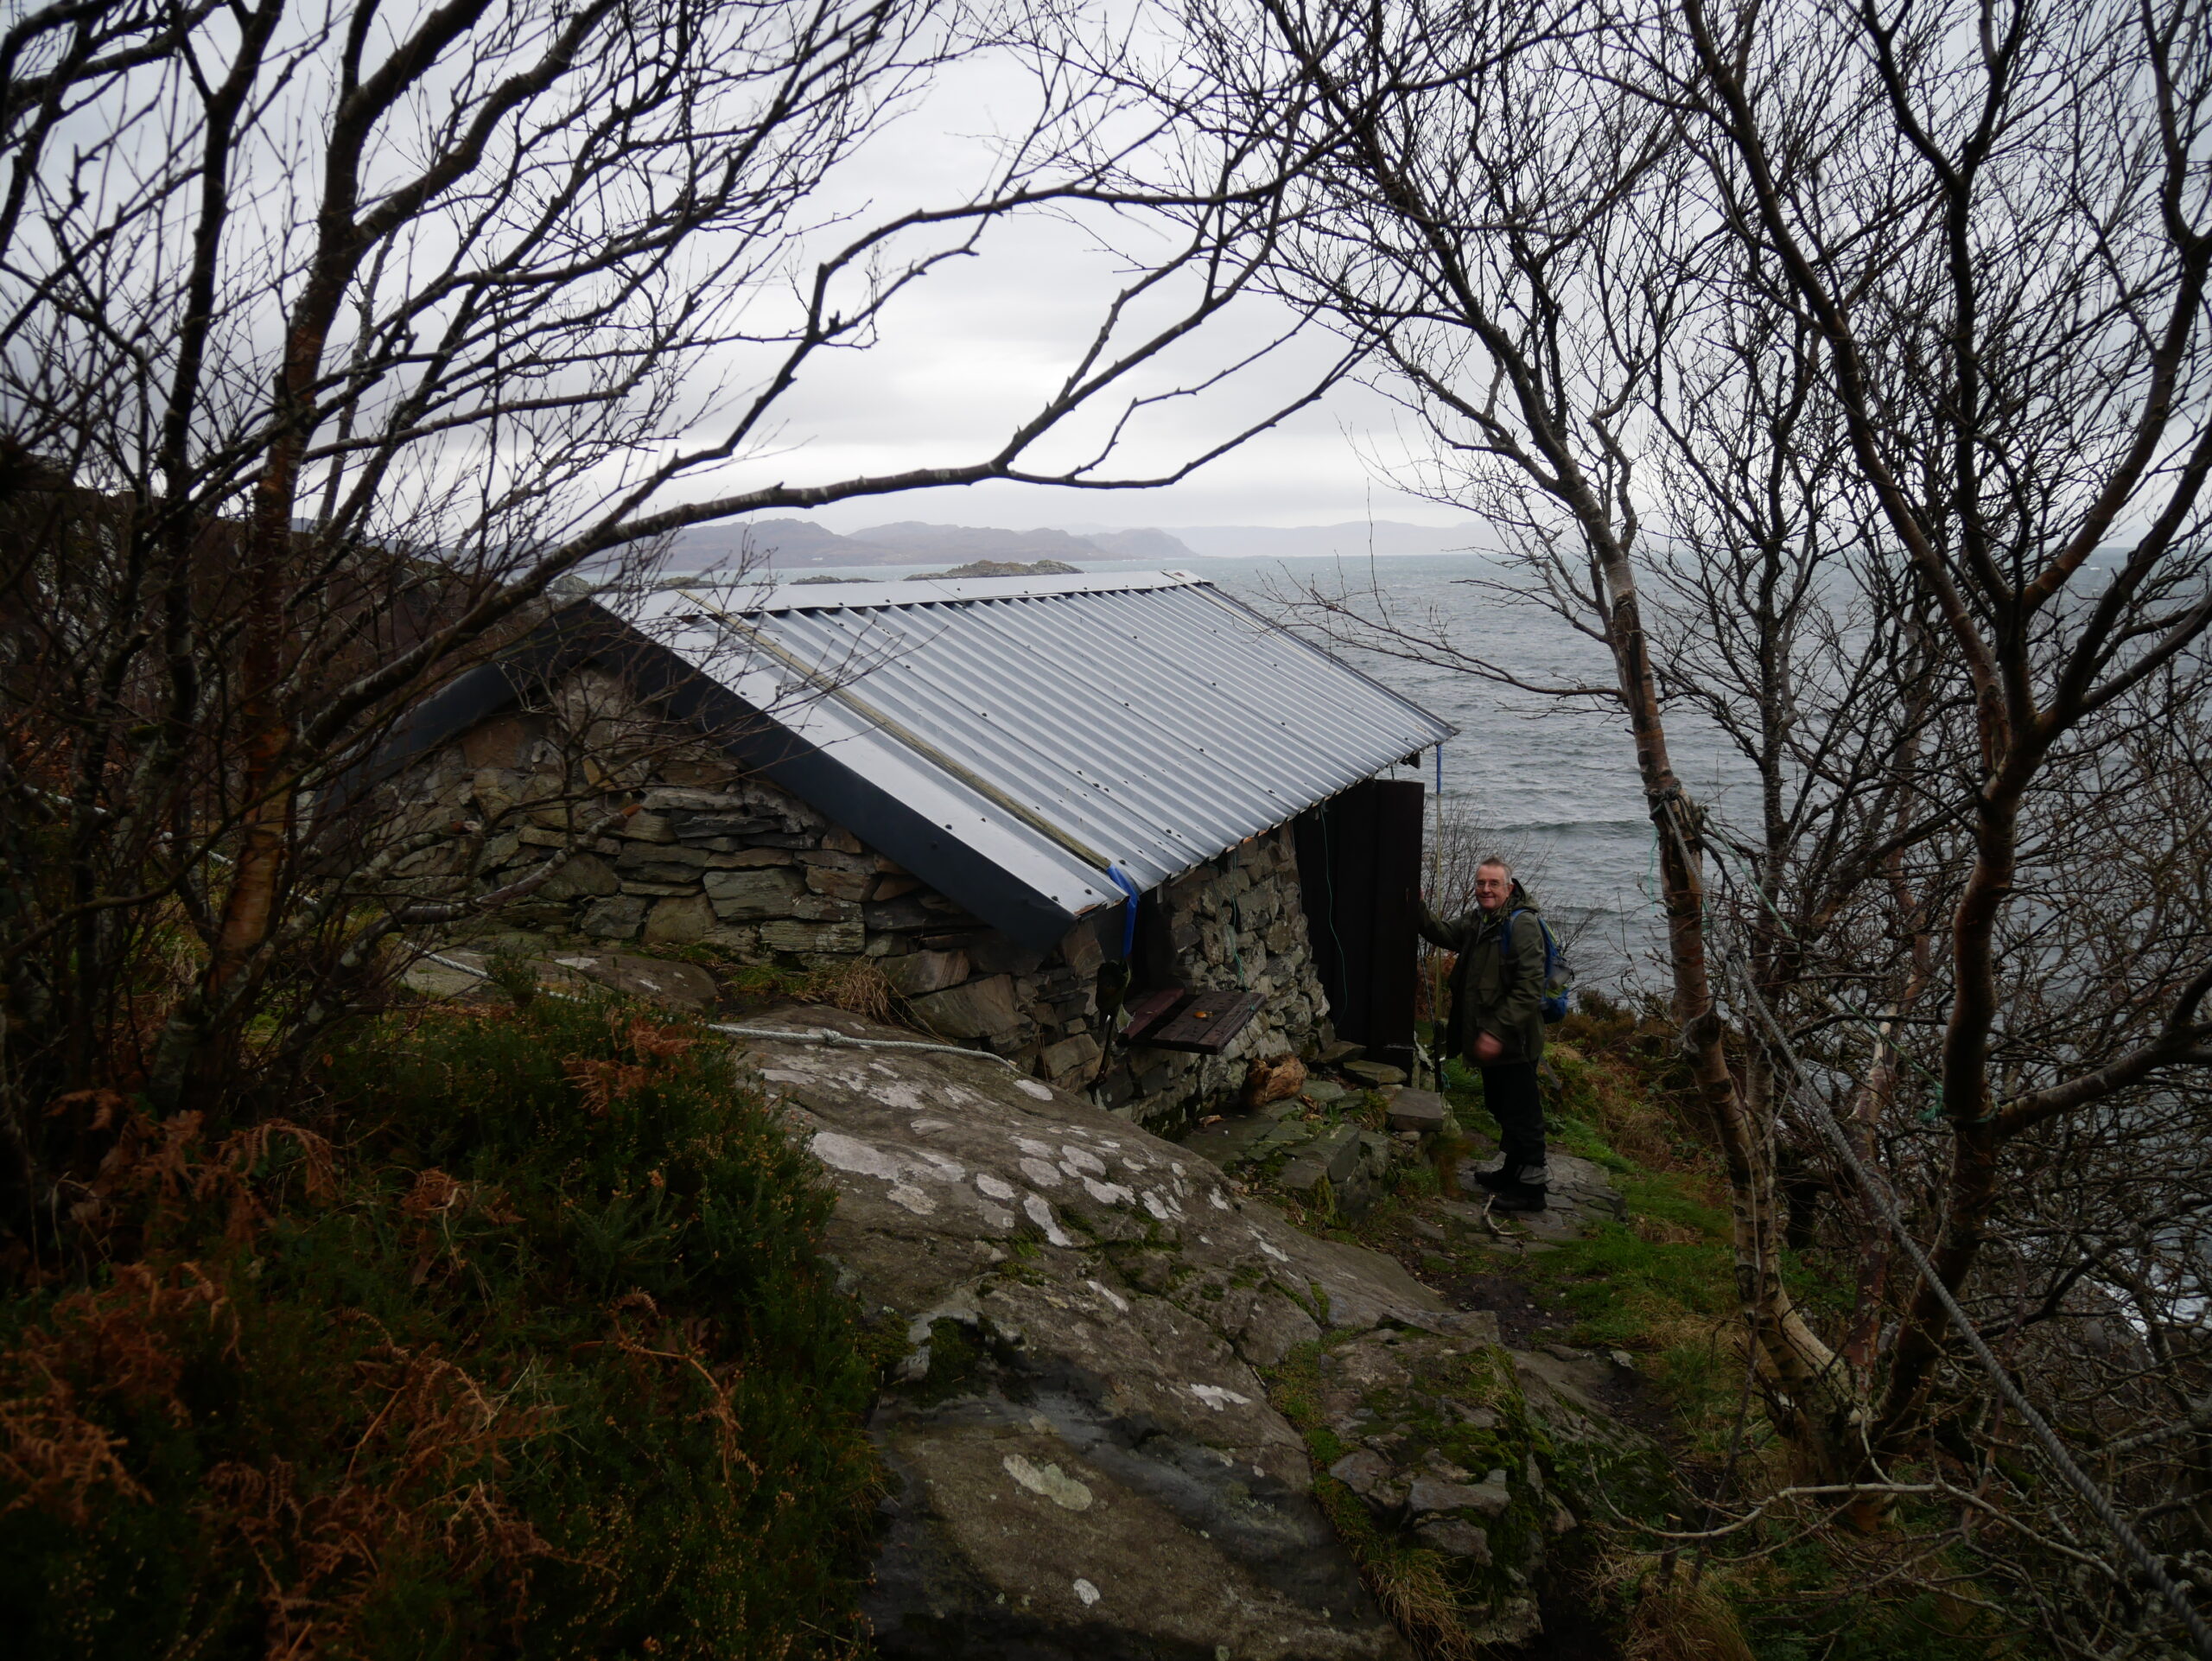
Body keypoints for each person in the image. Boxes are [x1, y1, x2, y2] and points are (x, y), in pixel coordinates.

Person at [1418, 856, 1549, 1212]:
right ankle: (1512, 1171)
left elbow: (1529, 989)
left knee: (1522, 1113)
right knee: (1500, 1104)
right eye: (1480, 883)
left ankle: (1532, 1190)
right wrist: (1418, 907)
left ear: (1509, 887)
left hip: (1515, 1041)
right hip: (1491, 1037)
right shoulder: (1480, 919)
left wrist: (1496, 1032)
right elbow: (1445, 934)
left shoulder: (1522, 925)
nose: (1485, 890)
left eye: (1493, 884)